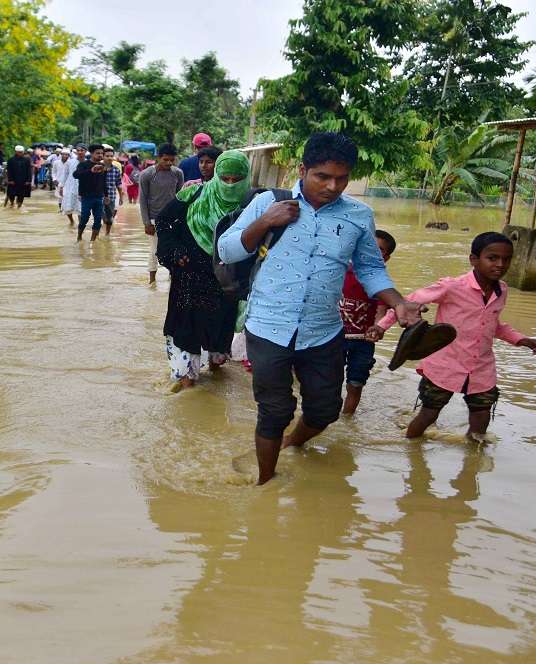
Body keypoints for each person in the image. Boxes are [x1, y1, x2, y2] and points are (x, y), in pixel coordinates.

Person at [216, 132, 423, 485]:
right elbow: (227, 251)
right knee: (274, 411)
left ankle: (293, 442)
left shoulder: (359, 216)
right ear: (303, 170)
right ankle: (265, 483)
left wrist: (399, 303)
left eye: (341, 179)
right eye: (322, 177)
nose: (332, 186)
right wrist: (265, 222)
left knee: (325, 410)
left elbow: (371, 269)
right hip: (268, 326)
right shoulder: (268, 201)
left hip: (323, 330)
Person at [369, 231, 536, 441]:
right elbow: (407, 304)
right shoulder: (452, 287)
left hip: (481, 368)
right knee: (429, 414)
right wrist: (381, 327)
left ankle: (472, 465)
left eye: (506, 259)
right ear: (474, 260)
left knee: (481, 419)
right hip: (445, 365)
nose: (500, 264)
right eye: (492, 258)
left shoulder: (502, 290)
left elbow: (493, 325)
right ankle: (410, 451)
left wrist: (519, 339)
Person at [156, 150, 250, 389]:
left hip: (226, 282)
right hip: (190, 277)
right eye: (225, 178)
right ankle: (187, 381)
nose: (229, 185)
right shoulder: (193, 194)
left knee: (219, 331)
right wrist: (175, 254)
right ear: (217, 175)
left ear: (245, 179)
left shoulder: (252, 204)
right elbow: (165, 222)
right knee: (187, 329)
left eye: (236, 180)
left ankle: (216, 369)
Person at [339, 229, 396, 415]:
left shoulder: (381, 283)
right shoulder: (338, 272)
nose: (371, 251)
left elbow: (381, 309)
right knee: (326, 380)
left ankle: (347, 419)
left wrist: (378, 328)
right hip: (333, 337)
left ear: (385, 258)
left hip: (363, 341)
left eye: (378, 249)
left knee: (355, 384)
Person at [138, 143, 184, 285]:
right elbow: (143, 199)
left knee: (174, 249)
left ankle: (173, 278)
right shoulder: (147, 174)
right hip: (154, 219)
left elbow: (180, 196)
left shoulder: (177, 173)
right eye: (165, 160)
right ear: (158, 158)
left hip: (173, 219)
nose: (169, 163)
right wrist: (147, 223)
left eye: (172, 160)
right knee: (154, 251)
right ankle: (152, 281)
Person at [73, 144, 108, 242]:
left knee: (98, 220)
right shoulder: (83, 164)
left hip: (99, 197)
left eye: (102, 153)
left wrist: (106, 195)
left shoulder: (103, 166)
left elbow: (103, 181)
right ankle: (79, 237)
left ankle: (92, 241)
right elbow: (75, 175)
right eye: (98, 153)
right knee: (84, 218)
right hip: (86, 196)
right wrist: (91, 171)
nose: (100, 155)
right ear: (92, 153)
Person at [59, 145, 83, 228]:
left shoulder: (87, 162)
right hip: (70, 187)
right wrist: (61, 187)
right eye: (78, 150)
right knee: (68, 206)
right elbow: (65, 175)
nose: (80, 152)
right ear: (76, 152)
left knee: (81, 208)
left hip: (83, 188)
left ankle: (81, 225)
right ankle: (72, 221)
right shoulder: (70, 162)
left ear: (85, 151)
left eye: (82, 150)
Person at [102, 147, 123, 235]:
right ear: (103, 157)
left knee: (109, 218)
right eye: (107, 156)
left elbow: (119, 184)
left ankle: (107, 234)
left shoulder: (116, 170)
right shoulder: (98, 168)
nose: (109, 158)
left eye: (111, 156)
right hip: (98, 197)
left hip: (111, 197)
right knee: (101, 216)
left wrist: (121, 197)